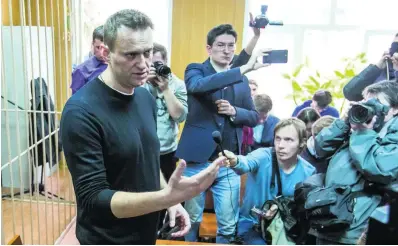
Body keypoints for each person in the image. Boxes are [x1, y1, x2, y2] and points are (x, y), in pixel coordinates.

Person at [60, 9, 226, 245]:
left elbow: (147, 160)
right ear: (106, 53)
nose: (143, 64)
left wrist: (171, 201)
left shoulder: (144, 97)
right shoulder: (81, 112)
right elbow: (94, 199)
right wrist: (164, 198)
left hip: (146, 235)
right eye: (131, 55)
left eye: (147, 52)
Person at [175, 23, 270, 243]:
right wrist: (242, 68)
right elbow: (198, 87)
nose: (226, 50)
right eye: (220, 45)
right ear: (209, 48)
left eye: (231, 46)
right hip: (196, 160)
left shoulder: (241, 79)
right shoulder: (195, 70)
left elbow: (254, 116)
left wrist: (235, 111)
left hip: (228, 161)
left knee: (228, 225)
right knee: (191, 220)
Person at [313, 81, 398, 244]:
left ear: (395, 109)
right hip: (329, 219)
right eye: (367, 103)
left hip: (356, 229)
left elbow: (380, 168)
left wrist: (362, 132)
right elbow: (320, 147)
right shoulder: (359, 125)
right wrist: (344, 121)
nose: (370, 109)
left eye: (377, 104)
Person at [222, 118, 316, 244]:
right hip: (253, 224)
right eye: (278, 138)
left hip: (285, 227)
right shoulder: (263, 156)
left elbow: (304, 210)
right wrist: (235, 161)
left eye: (288, 140)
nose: (281, 145)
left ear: (301, 143)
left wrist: (281, 211)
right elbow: (245, 163)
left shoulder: (308, 171)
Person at [343, 30, 398, 119]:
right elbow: (350, 93)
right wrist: (376, 68)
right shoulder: (377, 72)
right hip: (373, 125)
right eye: (396, 46)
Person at [145, 43, 188, 182]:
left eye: (157, 64)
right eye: (149, 65)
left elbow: (179, 116)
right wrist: (143, 81)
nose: (154, 68)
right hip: (142, 151)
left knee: (167, 195)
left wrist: (166, 89)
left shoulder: (177, 84)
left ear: (165, 62)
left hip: (167, 152)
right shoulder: (137, 83)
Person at [70, 25, 108, 94]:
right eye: (98, 47)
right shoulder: (81, 71)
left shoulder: (119, 68)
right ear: (92, 44)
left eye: (104, 48)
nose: (101, 52)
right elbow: (76, 102)